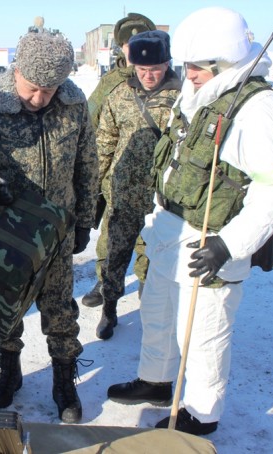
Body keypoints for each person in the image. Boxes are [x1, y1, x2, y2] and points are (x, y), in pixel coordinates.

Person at [106, 7, 273, 435]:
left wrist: (228, 245)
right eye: (186, 65)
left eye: (197, 67)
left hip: (211, 241)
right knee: (157, 313)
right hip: (171, 230)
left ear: (224, 64)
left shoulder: (258, 110)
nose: (187, 74)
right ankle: (155, 380)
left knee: (204, 335)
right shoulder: (202, 93)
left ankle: (200, 412)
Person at [0, 31, 99, 424]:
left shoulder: (73, 103)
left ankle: (64, 382)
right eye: (33, 88)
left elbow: (87, 166)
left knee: (60, 309)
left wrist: (84, 221)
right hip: (8, 232)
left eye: (50, 90)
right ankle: (9, 368)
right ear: (16, 70)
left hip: (55, 231)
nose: (40, 98)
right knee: (6, 306)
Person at [93, 30, 181, 340]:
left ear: (167, 64)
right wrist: (94, 188)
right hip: (122, 194)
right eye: (142, 70)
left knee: (154, 258)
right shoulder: (120, 94)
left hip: (162, 199)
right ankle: (110, 309)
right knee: (115, 256)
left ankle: (151, 312)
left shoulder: (183, 98)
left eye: (154, 69)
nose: (148, 76)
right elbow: (104, 142)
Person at [83, 12, 157, 309]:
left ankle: (146, 281)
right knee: (111, 236)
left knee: (151, 238)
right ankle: (105, 280)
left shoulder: (168, 81)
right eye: (128, 44)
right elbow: (91, 124)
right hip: (117, 178)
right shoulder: (110, 83)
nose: (133, 49)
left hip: (156, 180)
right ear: (121, 47)